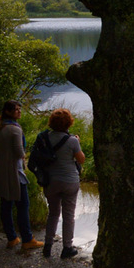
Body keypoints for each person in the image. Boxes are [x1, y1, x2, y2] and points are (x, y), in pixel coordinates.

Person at [0, 100, 44, 251]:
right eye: (16, 110)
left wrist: (0, 153)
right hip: (15, 173)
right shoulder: (15, 129)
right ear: (8, 111)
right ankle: (27, 239)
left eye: (19, 109)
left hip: (0, 172)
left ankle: (12, 238)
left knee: (6, 205)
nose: (19, 112)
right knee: (23, 206)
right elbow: (18, 151)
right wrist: (22, 158)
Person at [40, 108, 85, 259]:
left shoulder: (45, 138)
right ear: (68, 123)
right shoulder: (72, 140)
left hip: (50, 181)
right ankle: (67, 247)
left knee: (53, 213)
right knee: (68, 215)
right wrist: (78, 143)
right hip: (69, 181)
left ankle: (47, 246)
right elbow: (81, 159)